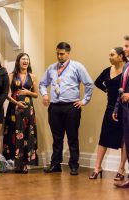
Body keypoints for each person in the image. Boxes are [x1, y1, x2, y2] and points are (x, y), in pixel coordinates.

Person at [39, 42, 93, 175]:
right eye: (57, 53)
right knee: (57, 138)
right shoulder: (52, 68)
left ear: (68, 53)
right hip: (55, 107)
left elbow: (89, 84)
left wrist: (84, 101)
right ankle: (55, 164)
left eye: (62, 53)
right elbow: (42, 84)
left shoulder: (77, 66)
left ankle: (74, 165)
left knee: (72, 137)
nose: (59, 56)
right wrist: (45, 94)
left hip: (71, 107)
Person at [89, 47, 127, 180]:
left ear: (121, 56)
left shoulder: (127, 71)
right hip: (110, 107)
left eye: (112, 54)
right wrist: (107, 90)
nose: (109, 57)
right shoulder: (107, 70)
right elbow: (97, 82)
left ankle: (121, 169)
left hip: (125, 108)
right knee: (103, 136)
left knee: (124, 138)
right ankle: (97, 167)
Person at [2, 53, 39, 173]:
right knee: (14, 133)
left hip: (28, 109)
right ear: (18, 61)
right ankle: (15, 162)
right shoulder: (12, 75)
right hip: (15, 108)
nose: (25, 61)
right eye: (23, 59)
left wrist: (28, 92)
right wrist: (16, 103)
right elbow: (6, 94)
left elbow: (36, 94)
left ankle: (24, 164)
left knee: (27, 133)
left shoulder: (32, 76)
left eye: (27, 59)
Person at [113, 36, 129, 188]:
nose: (124, 49)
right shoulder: (126, 66)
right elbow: (121, 88)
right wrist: (117, 108)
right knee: (128, 143)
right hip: (124, 110)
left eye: (127, 46)